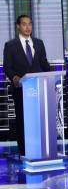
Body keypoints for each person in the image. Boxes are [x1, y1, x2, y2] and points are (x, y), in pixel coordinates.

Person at [3, 15, 51, 156]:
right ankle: (24, 151)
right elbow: (8, 67)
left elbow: (44, 64)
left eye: (30, 24)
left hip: (38, 89)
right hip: (21, 89)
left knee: (38, 120)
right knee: (22, 121)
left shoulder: (39, 43)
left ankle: (40, 148)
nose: (28, 27)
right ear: (18, 26)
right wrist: (14, 77)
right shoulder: (11, 45)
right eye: (24, 24)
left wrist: (50, 77)